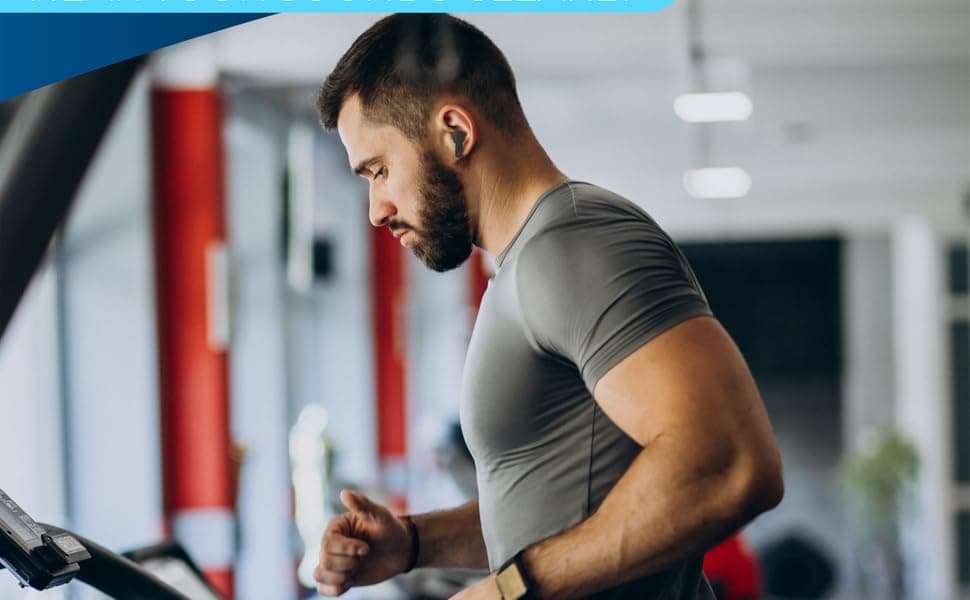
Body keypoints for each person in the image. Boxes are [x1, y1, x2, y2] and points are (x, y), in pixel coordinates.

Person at [312, 14, 784, 600]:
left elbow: (730, 464)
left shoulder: (576, 244)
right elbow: (566, 516)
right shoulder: (528, 262)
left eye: (380, 170)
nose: (376, 209)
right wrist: (413, 543)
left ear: (456, 131)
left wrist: (508, 591)